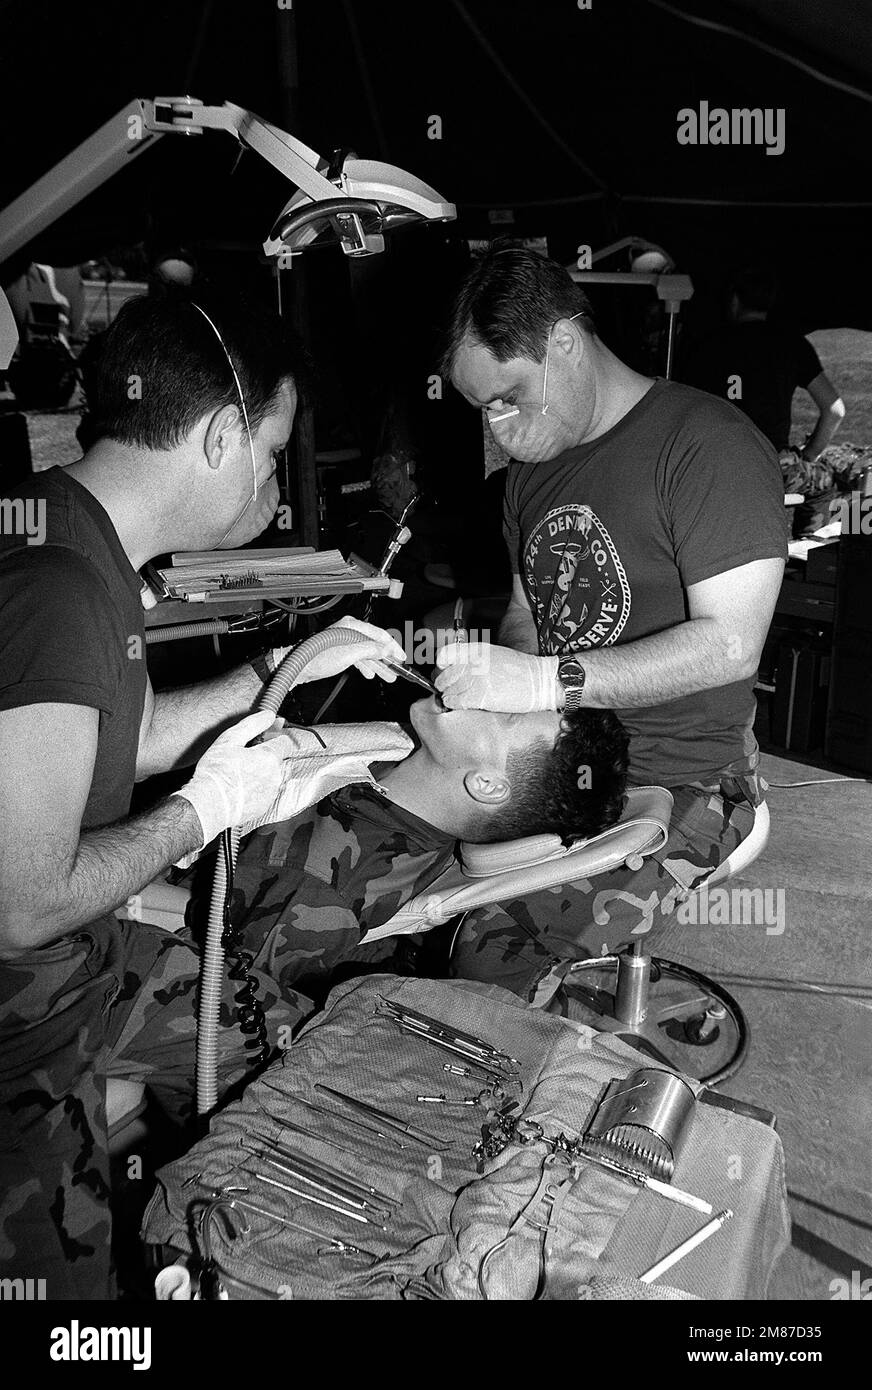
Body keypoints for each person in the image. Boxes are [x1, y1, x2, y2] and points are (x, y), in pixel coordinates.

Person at [0, 286, 405, 1299]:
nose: (272, 480)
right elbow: (23, 900)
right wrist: (204, 808)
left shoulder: (74, 534)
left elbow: (116, 739)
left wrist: (283, 668)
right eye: (271, 452)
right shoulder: (57, 581)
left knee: (261, 1027)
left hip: (73, 974)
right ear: (224, 433)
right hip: (19, 1028)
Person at [428, 243, 787, 1004]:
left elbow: (729, 644)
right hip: (564, 756)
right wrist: (509, 694)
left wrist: (546, 681)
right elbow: (529, 613)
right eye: (481, 407)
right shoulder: (528, 477)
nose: (496, 423)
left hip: (686, 776)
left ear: (564, 341)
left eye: (508, 395)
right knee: (390, 877)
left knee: (492, 966)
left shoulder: (706, 446)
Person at [230, 699, 628, 1001]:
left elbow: (235, 986)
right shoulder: (405, 770)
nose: (485, 692)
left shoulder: (319, 882)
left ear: (485, 786)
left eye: (505, 715)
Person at [685, 266, 845, 462]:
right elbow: (835, 410)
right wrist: (808, 455)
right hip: (772, 463)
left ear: (734, 301)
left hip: (720, 460)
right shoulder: (792, 344)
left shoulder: (710, 345)